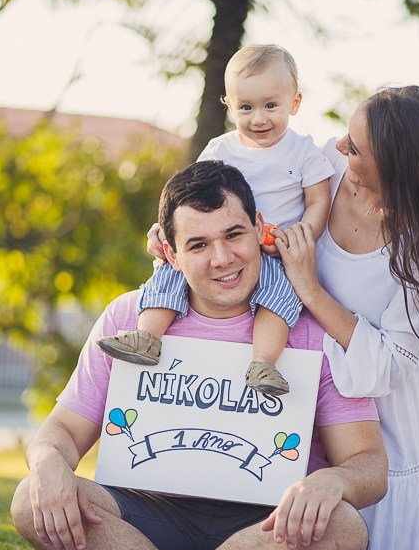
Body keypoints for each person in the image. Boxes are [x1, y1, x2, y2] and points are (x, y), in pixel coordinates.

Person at [11, 160, 387, 550]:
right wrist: (48, 461)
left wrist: (332, 481)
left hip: (267, 526)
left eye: (234, 235)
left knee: (343, 531)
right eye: (198, 244)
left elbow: (369, 465)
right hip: (152, 514)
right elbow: (62, 432)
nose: (223, 258)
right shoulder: (130, 318)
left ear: (259, 228)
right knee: (31, 499)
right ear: (169, 254)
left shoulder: (312, 331)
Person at [273, 85, 419, 550]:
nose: (340, 146)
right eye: (348, 134)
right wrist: (172, 230)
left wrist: (311, 289)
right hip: (305, 389)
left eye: (357, 148)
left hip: (380, 411)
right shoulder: (324, 166)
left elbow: (388, 368)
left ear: (397, 169)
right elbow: (243, 199)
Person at [97, 44, 334, 397]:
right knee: (169, 270)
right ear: (228, 105)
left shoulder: (303, 151)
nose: (258, 118)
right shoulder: (220, 149)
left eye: (271, 105)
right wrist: (165, 230)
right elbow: (189, 199)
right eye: (246, 107)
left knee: (280, 298)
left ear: (294, 103)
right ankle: (147, 336)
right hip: (225, 240)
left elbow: (319, 201)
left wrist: (301, 235)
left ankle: (263, 364)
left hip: (272, 250)